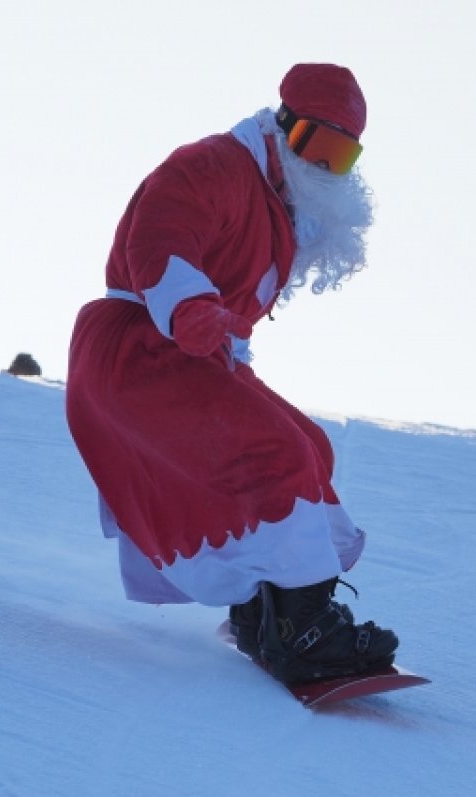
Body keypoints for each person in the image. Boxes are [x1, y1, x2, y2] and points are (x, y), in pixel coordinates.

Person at [65, 63, 397, 684]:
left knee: (312, 448)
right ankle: (303, 628)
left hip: (188, 355)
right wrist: (189, 306)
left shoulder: (280, 211)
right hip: (140, 351)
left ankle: (262, 613)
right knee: (275, 453)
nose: (324, 167)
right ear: (281, 126)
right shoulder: (215, 164)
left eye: (341, 155)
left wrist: (217, 336)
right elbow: (160, 236)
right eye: (314, 146)